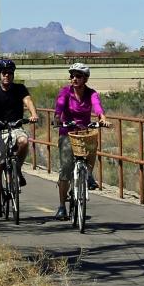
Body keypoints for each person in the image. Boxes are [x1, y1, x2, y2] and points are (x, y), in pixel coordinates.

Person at [0, 57, 35, 218]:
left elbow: (28, 101)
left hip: (15, 127)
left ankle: (17, 168)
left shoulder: (20, 89)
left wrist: (33, 114)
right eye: (4, 73)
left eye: (10, 73)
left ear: (13, 75)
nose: (7, 76)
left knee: (24, 141)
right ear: (0, 74)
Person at [51, 62, 104, 215]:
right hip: (67, 132)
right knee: (66, 169)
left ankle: (88, 174)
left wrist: (102, 118)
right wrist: (57, 117)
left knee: (92, 147)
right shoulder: (65, 92)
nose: (74, 79)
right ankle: (62, 207)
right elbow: (60, 105)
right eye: (72, 76)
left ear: (85, 79)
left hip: (84, 132)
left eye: (78, 76)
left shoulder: (91, 93)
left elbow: (97, 106)